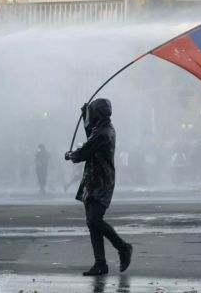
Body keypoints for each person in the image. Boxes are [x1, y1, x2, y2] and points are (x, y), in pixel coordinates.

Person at [65, 98, 132, 276]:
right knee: (92, 223)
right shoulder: (103, 129)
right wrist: (84, 115)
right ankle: (100, 263)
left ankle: (123, 247)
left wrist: (71, 154)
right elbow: (91, 137)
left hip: (100, 181)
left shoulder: (103, 133)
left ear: (97, 113)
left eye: (92, 112)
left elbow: (83, 152)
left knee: (95, 220)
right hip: (93, 180)